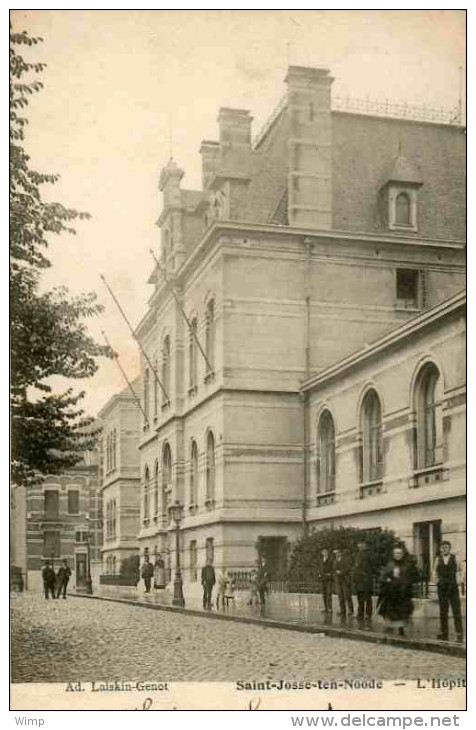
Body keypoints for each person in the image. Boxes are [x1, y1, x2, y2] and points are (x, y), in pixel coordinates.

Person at [377, 542, 418, 636]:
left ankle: (401, 629)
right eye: (396, 553)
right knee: (390, 610)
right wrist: (387, 579)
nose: (398, 555)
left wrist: (407, 583)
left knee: (402, 611)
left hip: (402, 592)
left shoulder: (406, 565)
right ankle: (389, 627)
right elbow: (382, 577)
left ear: (402, 554)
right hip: (392, 592)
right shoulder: (390, 565)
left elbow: (412, 577)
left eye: (399, 553)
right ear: (393, 554)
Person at [432, 541, 464, 643]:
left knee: (456, 611)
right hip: (442, 589)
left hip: (453, 588)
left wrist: (459, 581)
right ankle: (444, 633)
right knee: (443, 611)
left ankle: (459, 634)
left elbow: (462, 570)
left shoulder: (456, 558)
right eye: (442, 547)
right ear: (440, 549)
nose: (444, 549)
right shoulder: (438, 559)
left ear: (450, 548)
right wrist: (437, 581)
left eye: (446, 547)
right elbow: (434, 572)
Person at [353, 541, 374, 622]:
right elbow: (356, 567)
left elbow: (370, 567)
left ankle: (368, 614)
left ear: (364, 545)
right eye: (359, 544)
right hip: (359, 580)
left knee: (367, 598)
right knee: (360, 598)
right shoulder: (358, 554)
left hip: (366, 580)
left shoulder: (368, 554)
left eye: (361, 544)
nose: (359, 546)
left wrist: (364, 573)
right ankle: (360, 613)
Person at [333, 548, 354, 618]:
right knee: (340, 596)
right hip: (338, 581)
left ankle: (350, 610)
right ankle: (343, 610)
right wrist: (336, 573)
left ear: (340, 553)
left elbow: (348, 568)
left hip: (345, 579)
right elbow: (334, 569)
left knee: (347, 595)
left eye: (337, 553)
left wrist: (341, 572)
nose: (336, 555)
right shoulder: (335, 561)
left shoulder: (345, 560)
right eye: (335, 554)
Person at [319, 548, 334, 614]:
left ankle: (330, 608)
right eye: (323, 552)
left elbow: (333, 569)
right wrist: (319, 574)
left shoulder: (330, 560)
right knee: (324, 594)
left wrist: (330, 574)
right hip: (323, 579)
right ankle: (326, 608)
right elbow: (320, 569)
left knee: (329, 594)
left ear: (328, 553)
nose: (324, 553)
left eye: (326, 552)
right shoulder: (321, 560)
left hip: (328, 579)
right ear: (322, 553)